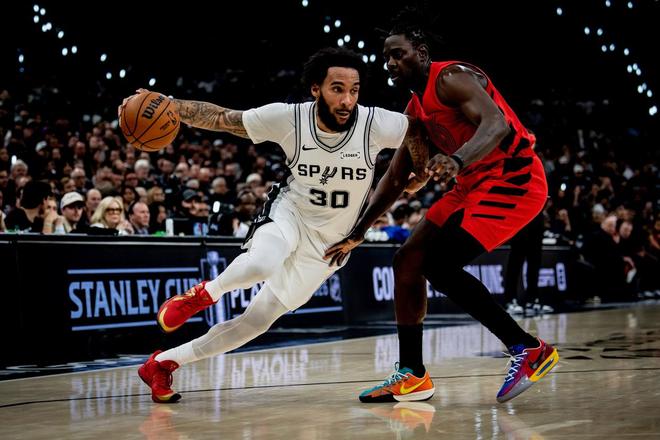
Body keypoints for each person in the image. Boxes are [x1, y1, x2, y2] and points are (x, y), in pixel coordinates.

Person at [128, 47, 421, 403]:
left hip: (330, 245)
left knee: (256, 322)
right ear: (316, 89)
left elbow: (421, 133)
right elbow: (223, 119)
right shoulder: (289, 119)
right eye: (337, 89)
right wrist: (167, 105)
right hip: (290, 213)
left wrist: (420, 171)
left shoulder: (375, 123)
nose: (347, 100)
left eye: (354, 90)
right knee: (263, 263)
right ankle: (203, 294)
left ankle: (161, 364)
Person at [324, 11, 558, 403]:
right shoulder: (416, 110)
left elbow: (496, 123)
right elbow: (394, 178)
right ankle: (412, 374)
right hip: (472, 184)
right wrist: (358, 231)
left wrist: (457, 159)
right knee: (407, 261)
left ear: (421, 52)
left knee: (440, 265)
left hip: (513, 178)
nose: (391, 63)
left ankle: (527, 348)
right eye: (386, 57)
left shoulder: (451, 77)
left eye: (398, 54)